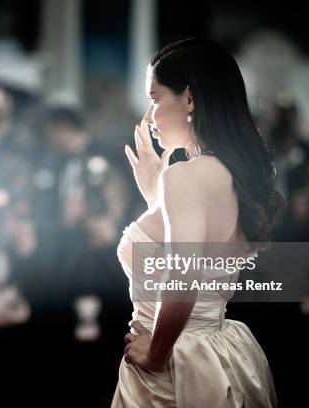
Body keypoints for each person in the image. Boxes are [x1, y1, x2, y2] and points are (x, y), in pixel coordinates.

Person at [111, 37, 284, 407]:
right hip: (221, 349)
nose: (149, 117)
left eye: (155, 99)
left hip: (176, 362)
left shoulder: (185, 178)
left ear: (189, 99)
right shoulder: (231, 174)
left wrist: (156, 354)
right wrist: (156, 199)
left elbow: (184, 275)